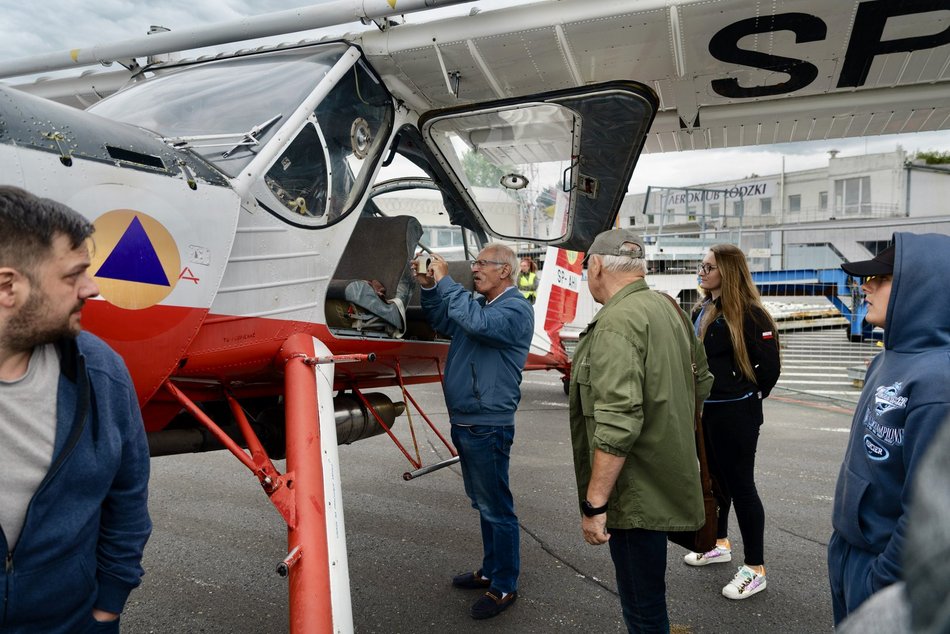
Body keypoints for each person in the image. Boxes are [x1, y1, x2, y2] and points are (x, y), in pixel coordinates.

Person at [0, 186, 152, 633]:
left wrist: (108, 606)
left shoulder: (101, 372)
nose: (92, 288)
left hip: (72, 622)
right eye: (73, 275)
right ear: (8, 286)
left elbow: (128, 497)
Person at [567, 229, 713, 633]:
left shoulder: (616, 322)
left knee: (641, 606)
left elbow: (617, 421)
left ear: (596, 265)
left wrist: (596, 505)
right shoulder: (669, 308)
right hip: (665, 476)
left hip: (634, 490)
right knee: (649, 594)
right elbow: (702, 382)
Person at [828, 232, 950, 625]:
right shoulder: (886, 358)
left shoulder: (938, 383)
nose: (866, 286)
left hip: (881, 571)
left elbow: (926, 511)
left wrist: (881, 580)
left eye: (881, 278)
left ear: (921, 287)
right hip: (849, 553)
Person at [413, 244, 534, 620]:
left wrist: (447, 282)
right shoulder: (479, 306)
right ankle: (490, 570)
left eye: (482, 263)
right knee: (483, 503)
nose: (475, 268)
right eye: (476, 262)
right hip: (468, 420)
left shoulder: (515, 309)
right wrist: (431, 288)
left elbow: (478, 326)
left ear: (506, 271)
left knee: (497, 507)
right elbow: (443, 320)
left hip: (487, 423)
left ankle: (504, 585)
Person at [683, 244, 781, 600]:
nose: (702, 270)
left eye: (708, 266)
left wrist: (746, 393)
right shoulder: (704, 308)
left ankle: (755, 568)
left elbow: (769, 369)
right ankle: (717, 543)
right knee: (714, 482)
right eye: (701, 264)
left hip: (737, 413)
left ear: (728, 270)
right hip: (707, 411)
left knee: (741, 486)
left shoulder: (751, 314)